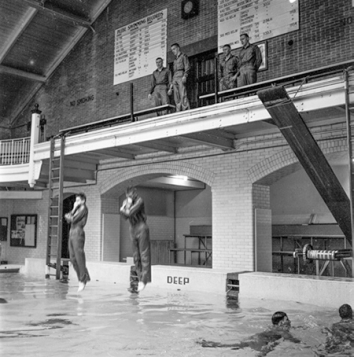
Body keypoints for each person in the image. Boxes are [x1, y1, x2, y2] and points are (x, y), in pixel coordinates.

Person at [198, 311, 300, 356]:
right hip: (262, 341)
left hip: (256, 337)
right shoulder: (281, 331)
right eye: (287, 319)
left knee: (236, 345)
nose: (290, 321)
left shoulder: (274, 328)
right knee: (264, 352)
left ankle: (210, 344)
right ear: (281, 322)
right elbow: (293, 340)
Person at [120, 186, 151, 293]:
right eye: (127, 195)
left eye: (131, 194)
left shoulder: (139, 201)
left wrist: (124, 207)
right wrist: (124, 208)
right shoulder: (127, 201)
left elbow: (129, 213)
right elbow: (124, 217)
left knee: (144, 255)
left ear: (135, 193)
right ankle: (140, 278)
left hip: (141, 227)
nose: (129, 196)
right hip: (132, 228)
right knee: (136, 257)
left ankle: (144, 280)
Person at [64, 192, 90, 293]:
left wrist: (72, 211)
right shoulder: (78, 209)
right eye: (76, 200)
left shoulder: (83, 209)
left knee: (79, 257)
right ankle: (83, 277)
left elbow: (72, 219)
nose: (76, 202)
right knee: (72, 258)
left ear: (83, 201)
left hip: (78, 232)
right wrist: (70, 214)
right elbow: (67, 219)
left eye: (78, 200)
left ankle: (82, 279)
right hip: (72, 232)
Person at [168, 43, 190, 112]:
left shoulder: (183, 56)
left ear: (178, 48)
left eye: (174, 49)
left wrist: (185, 75)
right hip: (175, 77)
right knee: (176, 96)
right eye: (172, 50)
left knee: (183, 93)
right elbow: (174, 72)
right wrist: (170, 87)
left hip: (181, 74)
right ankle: (178, 111)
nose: (173, 51)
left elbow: (187, 66)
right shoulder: (175, 60)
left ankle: (186, 110)